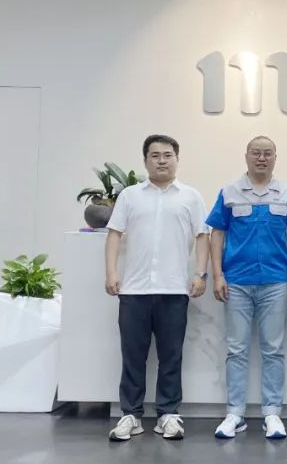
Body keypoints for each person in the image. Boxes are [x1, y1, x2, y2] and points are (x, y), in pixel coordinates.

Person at [105, 134, 210, 441]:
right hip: (134, 291)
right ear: (145, 160)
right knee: (132, 356)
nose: (161, 161)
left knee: (171, 356)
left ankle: (168, 414)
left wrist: (200, 274)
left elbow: (202, 236)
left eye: (167, 155)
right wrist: (111, 273)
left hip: (174, 290)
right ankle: (131, 415)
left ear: (177, 159)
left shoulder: (190, 197)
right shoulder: (130, 196)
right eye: (155, 155)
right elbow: (114, 235)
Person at [207, 136, 287, 440]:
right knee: (236, 350)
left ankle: (272, 413)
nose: (262, 158)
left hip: (275, 281)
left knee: (273, 350)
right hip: (236, 282)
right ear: (246, 156)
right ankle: (235, 413)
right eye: (256, 153)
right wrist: (217, 275)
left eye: (267, 153)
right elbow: (217, 233)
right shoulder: (229, 192)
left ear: (275, 157)